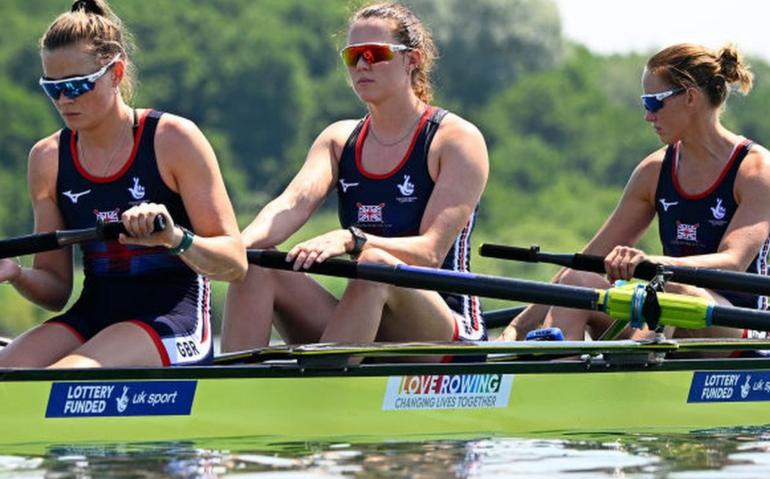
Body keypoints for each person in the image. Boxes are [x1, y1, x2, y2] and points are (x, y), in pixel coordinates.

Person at [220, 3, 488, 356]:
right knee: (254, 264)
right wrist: (229, 249)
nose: (362, 64)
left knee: (375, 264)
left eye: (375, 54)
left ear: (413, 60)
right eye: (353, 56)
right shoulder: (339, 140)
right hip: (365, 321)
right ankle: (231, 395)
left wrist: (354, 240)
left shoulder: (454, 140)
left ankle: (326, 395)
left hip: (443, 330)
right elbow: (289, 206)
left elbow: (429, 253)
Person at [0, 0, 246, 368]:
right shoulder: (47, 158)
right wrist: (16, 274)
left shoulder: (173, 140)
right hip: (94, 314)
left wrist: (174, 238)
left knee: (67, 376)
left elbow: (235, 263)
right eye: (52, 88)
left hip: (174, 319)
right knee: (8, 377)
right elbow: (55, 289)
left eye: (78, 85)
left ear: (115, 74)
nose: (64, 100)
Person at [500, 43, 770, 342]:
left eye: (653, 103)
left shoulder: (756, 170)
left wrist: (651, 264)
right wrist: (516, 328)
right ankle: (561, 375)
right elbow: (590, 258)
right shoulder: (655, 170)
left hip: (733, 324)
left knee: (670, 291)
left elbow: (733, 262)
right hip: (664, 310)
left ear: (690, 96)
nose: (648, 116)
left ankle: (632, 361)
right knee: (576, 281)